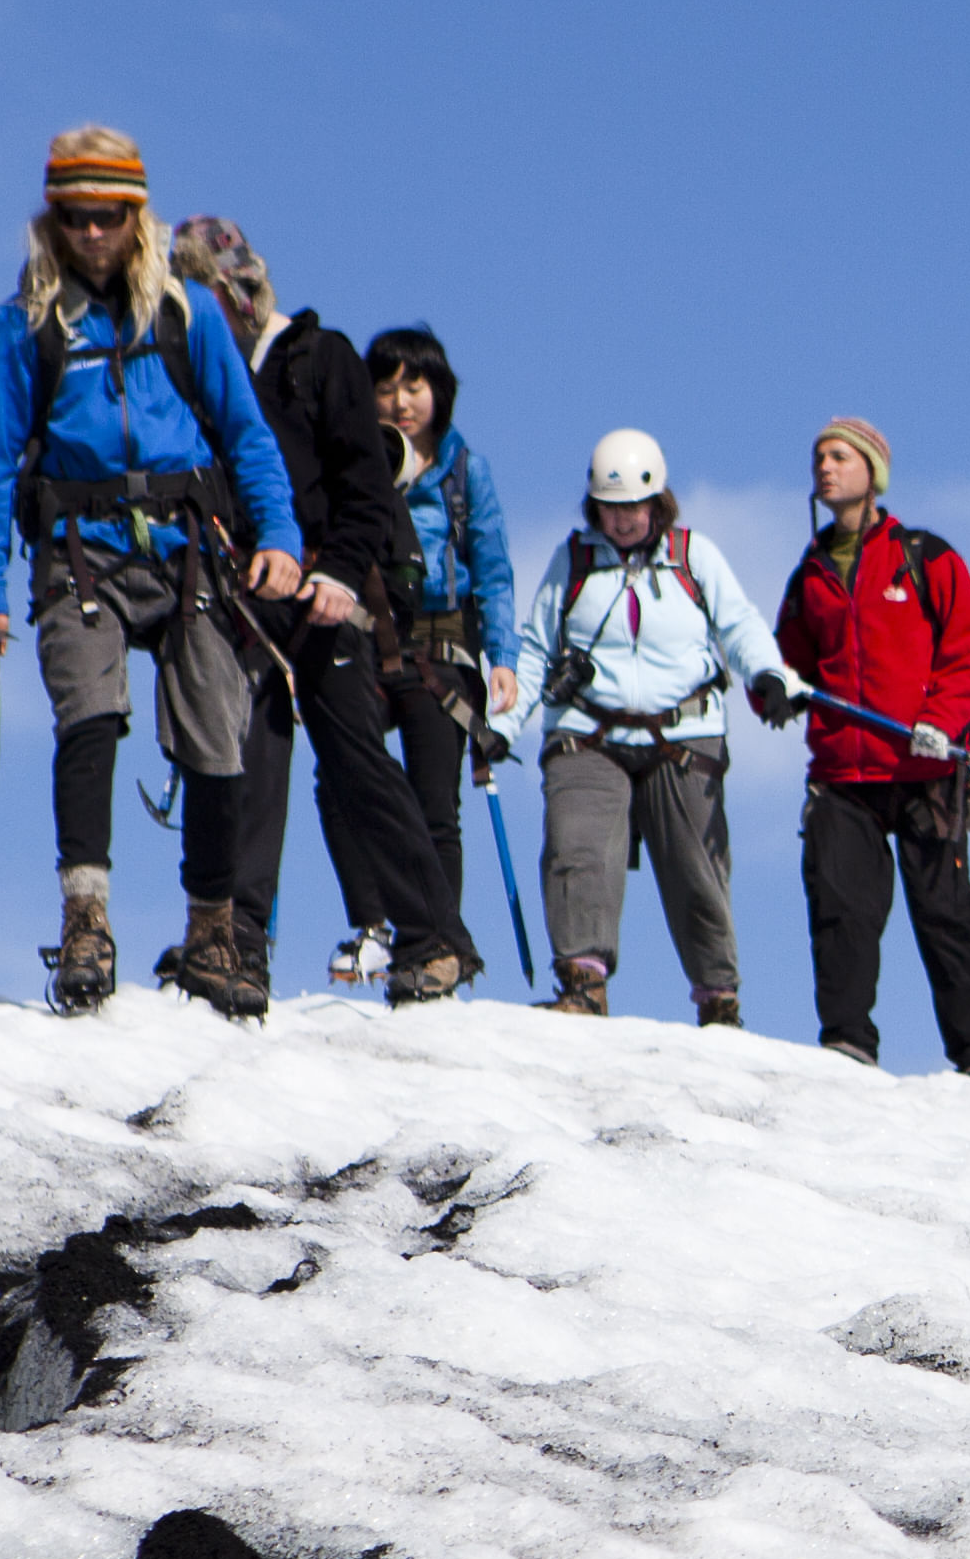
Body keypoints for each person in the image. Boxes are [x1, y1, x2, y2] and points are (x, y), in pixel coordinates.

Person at [0, 125, 311, 1017]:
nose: (92, 234)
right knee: (89, 715)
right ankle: (86, 921)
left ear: (135, 214)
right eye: (75, 217)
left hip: (190, 548)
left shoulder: (186, 313)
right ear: (55, 217)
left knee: (215, 729)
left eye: (108, 216)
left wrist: (279, 538)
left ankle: (214, 931)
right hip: (79, 553)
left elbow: (247, 437)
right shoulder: (24, 326)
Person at [165, 216, 478, 1005]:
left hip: (333, 590)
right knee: (250, 754)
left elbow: (366, 483)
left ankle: (433, 935)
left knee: (355, 759)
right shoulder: (202, 371)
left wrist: (340, 570)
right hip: (247, 589)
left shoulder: (323, 358)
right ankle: (240, 938)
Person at [506, 428, 804, 1023]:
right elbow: (536, 649)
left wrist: (769, 675)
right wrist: (502, 725)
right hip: (587, 733)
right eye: (609, 510)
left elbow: (739, 626)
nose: (622, 522)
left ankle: (719, 1000)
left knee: (696, 869)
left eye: (633, 508)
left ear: (658, 501)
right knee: (577, 850)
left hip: (684, 736)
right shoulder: (573, 561)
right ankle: (581, 986)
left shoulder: (696, 557)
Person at [772, 416, 970, 1075]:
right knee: (840, 910)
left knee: (945, 912)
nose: (825, 467)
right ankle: (847, 1045)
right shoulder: (811, 574)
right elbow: (786, 663)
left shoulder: (925, 555)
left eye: (840, 456)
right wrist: (773, 691)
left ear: (872, 473)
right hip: (842, 774)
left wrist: (943, 718)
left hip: (924, 766)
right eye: (819, 456)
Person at [367, 326, 513, 972]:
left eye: (414, 386)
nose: (401, 401)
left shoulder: (464, 470)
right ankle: (376, 923)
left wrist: (502, 657)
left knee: (435, 804)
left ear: (439, 391)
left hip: (442, 651)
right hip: (369, 643)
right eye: (387, 386)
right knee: (352, 781)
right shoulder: (360, 465)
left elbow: (493, 569)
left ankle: (437, 943)